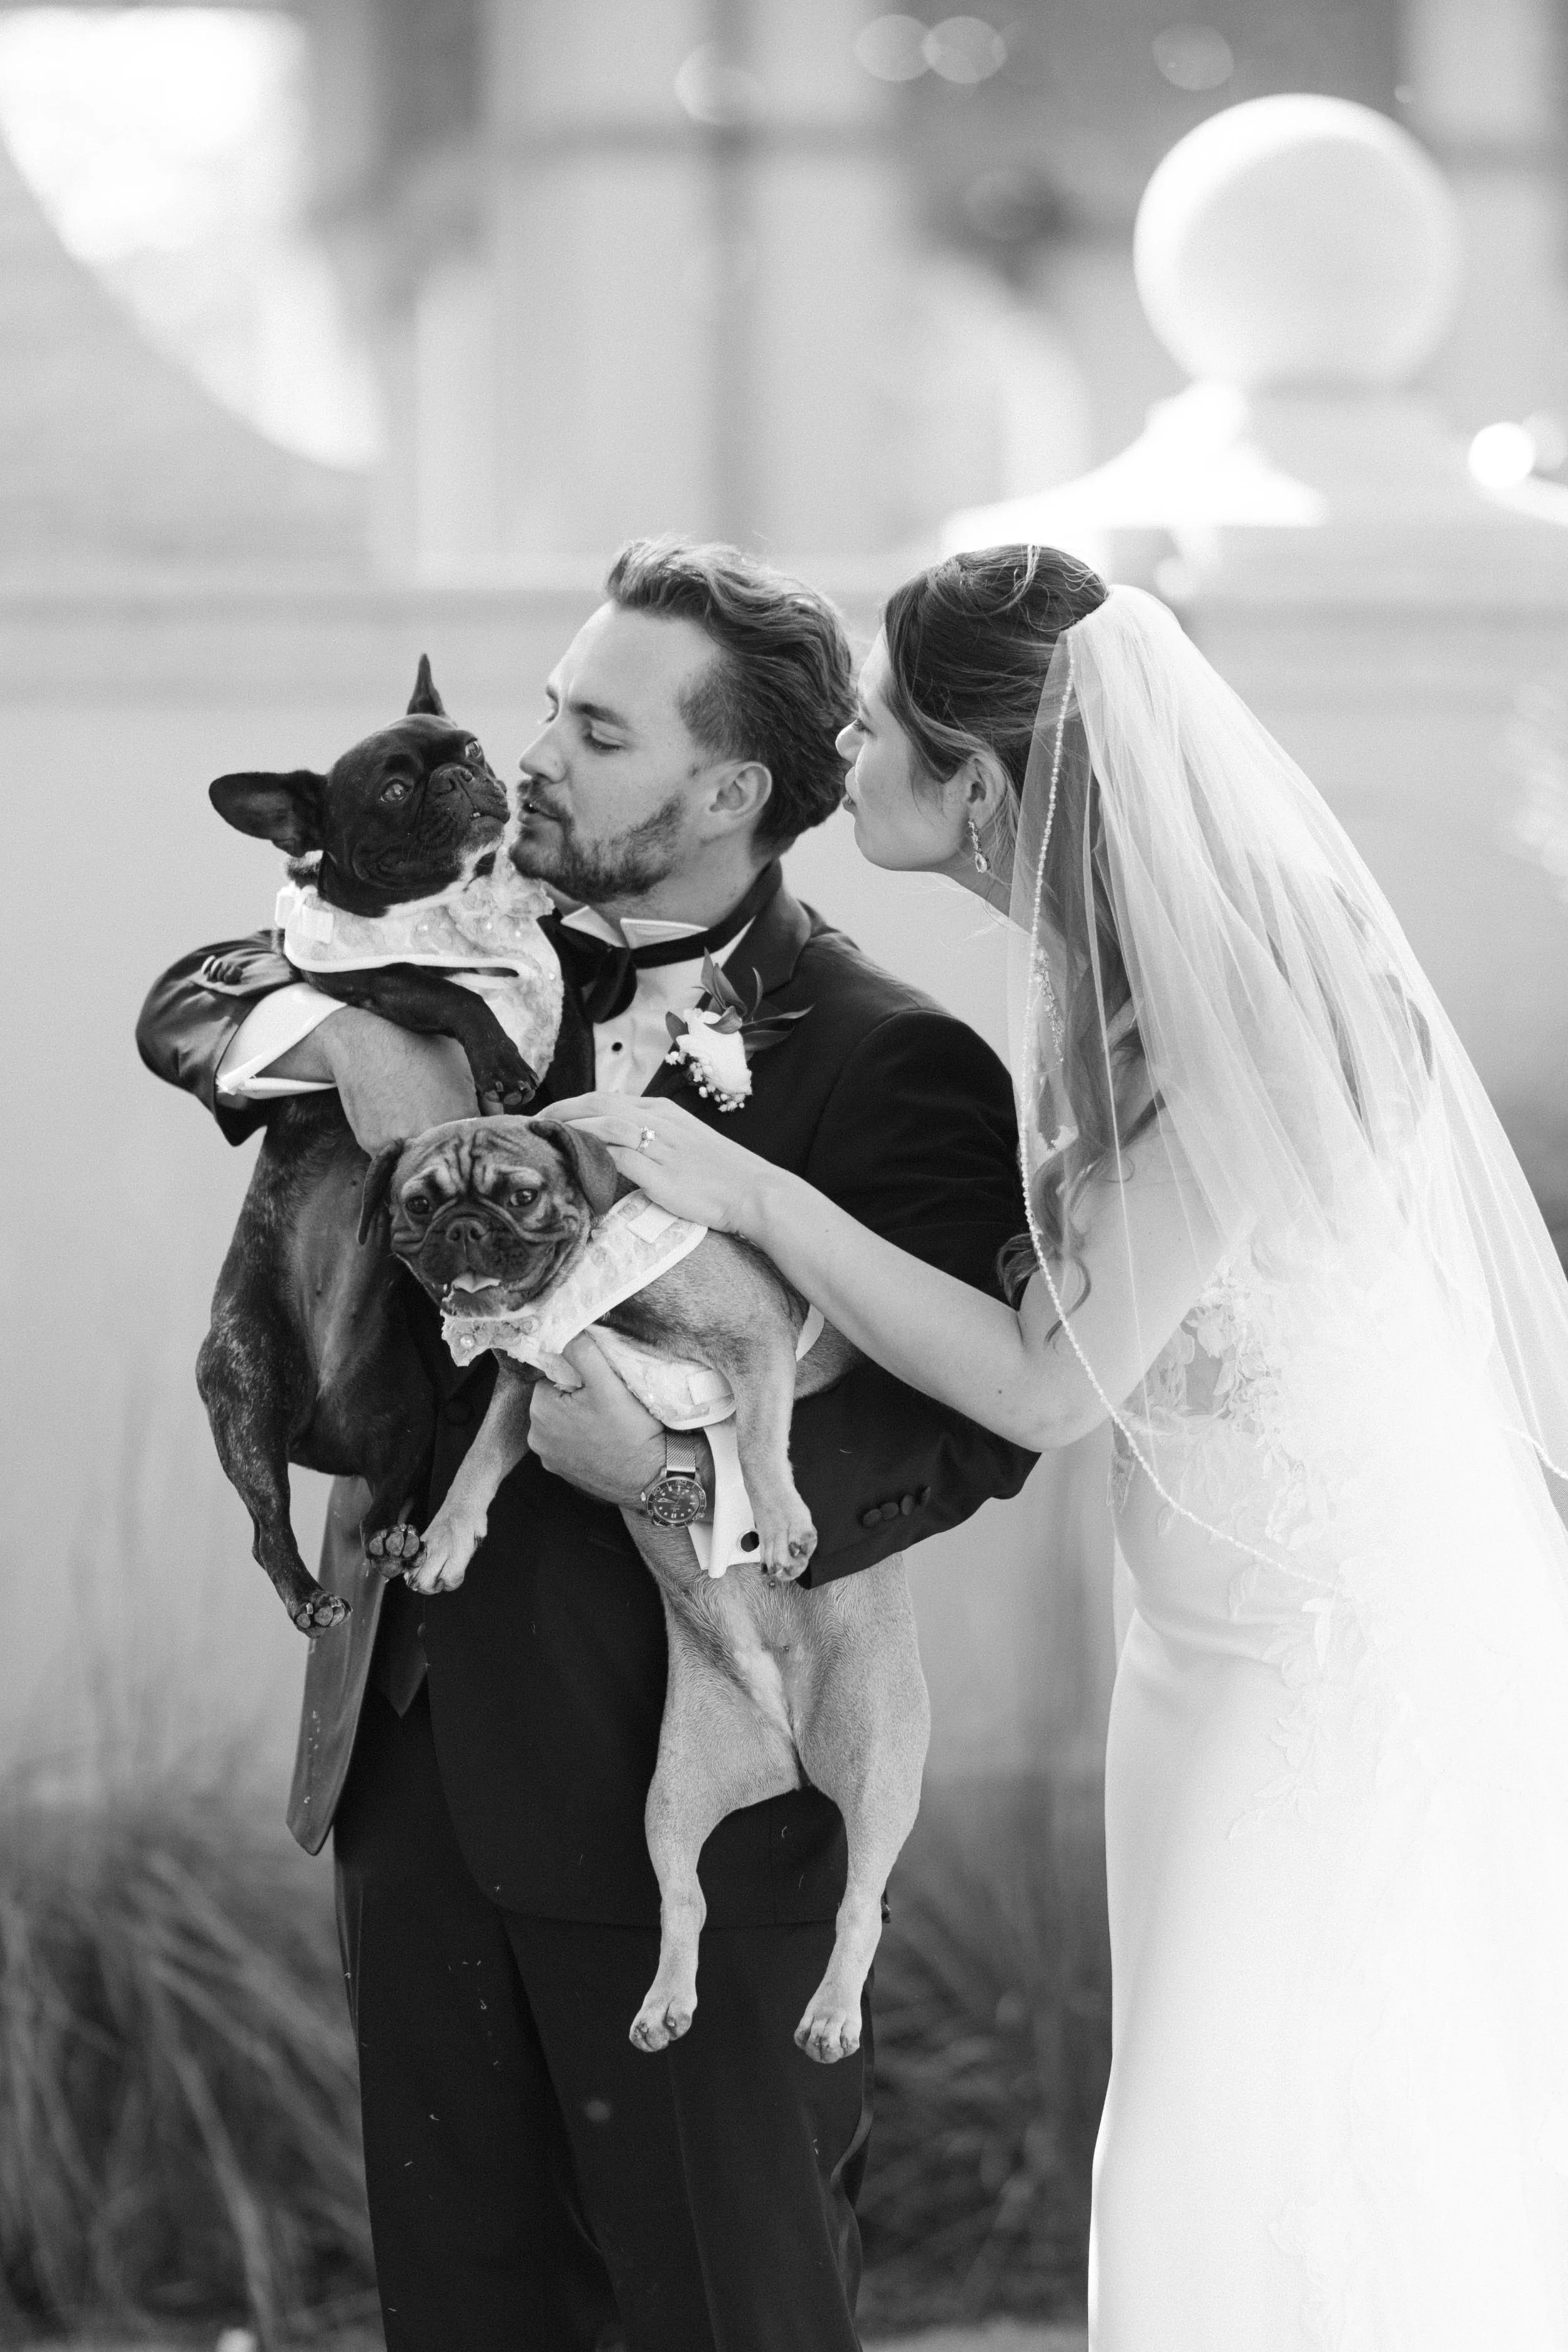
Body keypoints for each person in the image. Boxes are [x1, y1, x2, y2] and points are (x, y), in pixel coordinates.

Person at [554, 546, 1568, 2351]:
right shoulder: (1097, 969)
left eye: (877, 735)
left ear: (984, 786)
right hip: (1211, 1637)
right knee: (1241, 2121)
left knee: (1270, 2126)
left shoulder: (1240, 990)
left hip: (1333, 1650)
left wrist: (753, 1189)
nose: (844, 762)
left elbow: (1044, 1382)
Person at [135, 538, 1037, 2352]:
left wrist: (688, 1480)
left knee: (723, 2313)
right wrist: (338, 1039)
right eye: (548, 702)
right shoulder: (447, 930)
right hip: (408, 1762)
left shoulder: (889, 1058)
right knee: (463, 2314)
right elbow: (195, 989)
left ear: (724, 789)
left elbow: (970, 1432)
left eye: (593, 730)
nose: (531, 753)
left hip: (694, 1783)